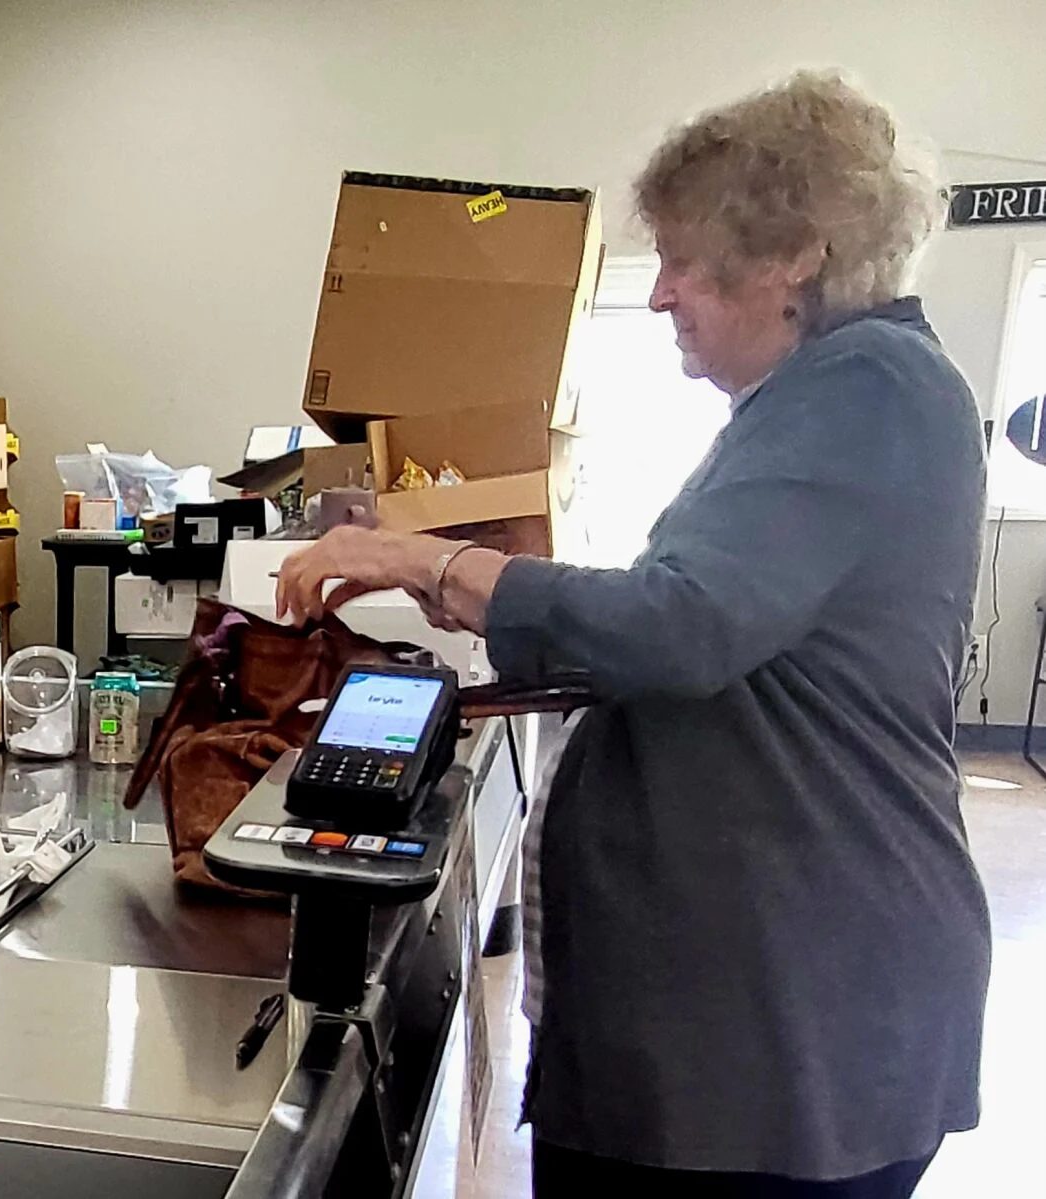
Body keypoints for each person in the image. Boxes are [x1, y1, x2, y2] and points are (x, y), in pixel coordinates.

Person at [276, 71, 989, 1198]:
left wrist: (433, 558)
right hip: (749, 1012)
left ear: (794, 250)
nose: (657, 296)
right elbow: (711, 620)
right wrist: (473, 597)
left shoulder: (866, 389)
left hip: (786, 1015)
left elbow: (682, 627)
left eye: (682, 259)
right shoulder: (816, 399)